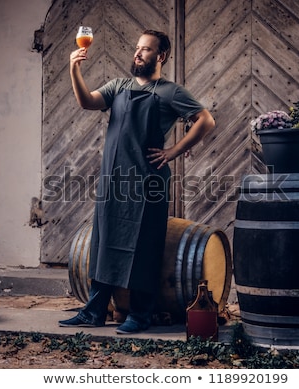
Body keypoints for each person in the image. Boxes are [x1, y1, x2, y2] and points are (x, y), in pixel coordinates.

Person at [59, 29, 215, 334]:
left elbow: (205, 120)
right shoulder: (119, 86)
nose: (138, 53)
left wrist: (173, 151)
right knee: (104, 243)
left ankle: (141, 314)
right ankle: (94, 311)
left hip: (148, 183)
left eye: (146, 49)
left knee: (145, 246)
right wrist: (74, 68)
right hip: (114, 180)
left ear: (162, 56)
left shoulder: (172, 92)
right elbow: (87, 102)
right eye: (137, 48)